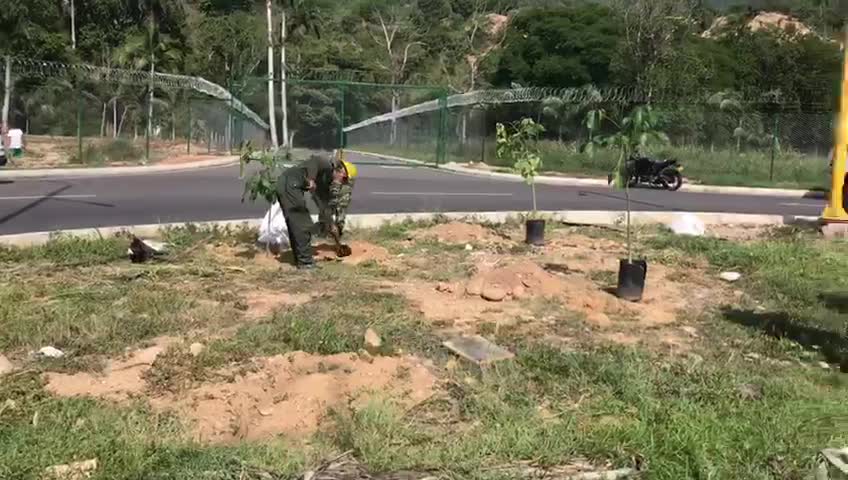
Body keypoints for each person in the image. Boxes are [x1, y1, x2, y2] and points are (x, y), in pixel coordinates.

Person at [276, 151, 357, 270]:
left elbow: (323, 205)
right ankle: (306, 264)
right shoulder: (327, 165)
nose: (342, 182)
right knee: (303, 223)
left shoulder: (324, 183)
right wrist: (311, 179)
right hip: (290, 182)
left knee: (295, 224)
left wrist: (330, 224)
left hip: (289, 186)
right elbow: (316, 160)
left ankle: (300, 259)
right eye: (344, 179)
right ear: (341, 171)